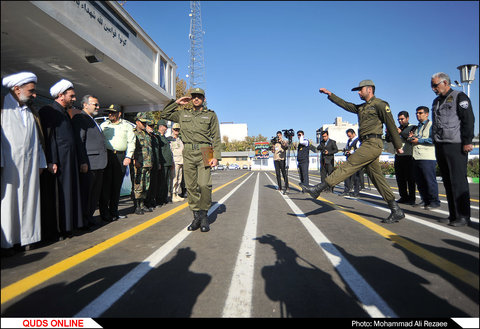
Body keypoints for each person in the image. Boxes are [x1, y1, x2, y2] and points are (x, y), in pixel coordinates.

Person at [301, 80, 405, 224]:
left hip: (373, 143)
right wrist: (331, 95)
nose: (358, 92)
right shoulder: (361, 107)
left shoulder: (381, 104)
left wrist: (398, 145)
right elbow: (346, 105)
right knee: (377, 178)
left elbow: (391, 125)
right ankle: (396, 210)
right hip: (366, 143)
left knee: (350, 164)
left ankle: (319, 188)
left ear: (369, 89)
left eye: (360, 89)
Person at [161, 88, 221, 232]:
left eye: (199, 97)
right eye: (194, 96)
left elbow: (216, 136)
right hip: (187, 150)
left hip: (206, 150)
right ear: (191, 98)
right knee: (191, 186)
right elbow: (164, 114)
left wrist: (216, 156)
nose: (196, 99)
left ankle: (204, 215)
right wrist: (177, 102)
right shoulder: (182, 113)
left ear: (204, 99)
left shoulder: (210, 115)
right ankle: (196, 217)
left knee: (204, 185)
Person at [1, 72, 46, 252]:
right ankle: (7, 243)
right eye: (31, 91)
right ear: (17, 89)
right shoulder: (3, 107)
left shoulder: (29, 111)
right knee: (9, 203)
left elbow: (37, 140)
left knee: (29, 200)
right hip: (9, 165)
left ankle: (26, 237)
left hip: (30, 164)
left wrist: (41, 162)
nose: (34, 95)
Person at [38, 79, 87, 240]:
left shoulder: (65, 112)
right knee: (58, 197)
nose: (74, 99)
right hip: (58, 163)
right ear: (61, 95)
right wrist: (51, 161)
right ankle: (57, 230)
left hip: (69, 162)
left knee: (69, 194)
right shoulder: (48, 111)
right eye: (71, 96)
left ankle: (68, 227)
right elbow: (48, 138)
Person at [430, 72, 475, 227]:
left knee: (458, 181)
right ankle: (453, 214)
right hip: (441, 144)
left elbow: (468, 119)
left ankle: (463, 216)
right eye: (432, 85)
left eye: (435, 85)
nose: (433, 88)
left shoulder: (459, 96)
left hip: (456, 144)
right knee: (448, 181)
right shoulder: (436, 101)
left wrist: (467, 141)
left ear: (445, 83)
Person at [71, 95, 107, 228]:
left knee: (94, 194)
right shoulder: (80, 118)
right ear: (85, 105)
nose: (97, 107)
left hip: (98, 163)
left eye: (97, 105)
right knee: (86, 194)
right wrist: (82, 161)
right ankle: (83, 220)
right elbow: (80, 141)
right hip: (89, 163)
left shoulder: (93, 120)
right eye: (95, 104)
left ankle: (89, 217)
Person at [99, 104, 135, 221]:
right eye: (109, 112)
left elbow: (131, 142)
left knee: (116, 186)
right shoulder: (103, 125)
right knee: (105, 187)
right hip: (107, 156)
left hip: (120, 157)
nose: (110, 115)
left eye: (113, 113)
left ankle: (113, 212)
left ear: (119, 114)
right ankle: (104, 214)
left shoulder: (126, 126)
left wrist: (128, 156)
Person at [409, 106, 440, 210]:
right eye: (416, 113)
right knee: (420, 181)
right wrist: (412, 138)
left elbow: (433, 139)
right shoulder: (417, 127)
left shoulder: (431, 125)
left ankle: (434, 201)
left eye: (420, 113)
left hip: (427, 157)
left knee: (429, 180)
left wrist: (419, 141)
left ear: (426, 114)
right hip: (416, 156)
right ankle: (425, 200)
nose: (418, 115)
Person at [386, 111, 416, 205]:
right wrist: (388, 133)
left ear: (407, 118)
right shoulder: (397, 129)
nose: (400, 121)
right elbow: (388, 140)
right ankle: (403, 196)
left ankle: (412, 198)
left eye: (402, 119)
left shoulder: (413, 127)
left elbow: (410, 138)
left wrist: (401, 132)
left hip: (408, 155)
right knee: (400, 178)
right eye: (398, 119)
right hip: (398, 156)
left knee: (410, 178)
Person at [132, 113, 153, 215]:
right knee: (138, 185)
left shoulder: (146, 134)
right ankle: (136, 206)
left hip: (147, 163)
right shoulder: (134, 133)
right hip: (139, 163)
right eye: (142, 122)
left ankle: (142, 204)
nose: (144, 124)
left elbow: (149, 149)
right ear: (137, 122)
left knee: (146, 185)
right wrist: (134, 160)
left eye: (145, 122)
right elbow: (132, 148)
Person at [156, 119, 173, 206]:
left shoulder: (164, 138)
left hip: (168, 163)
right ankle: (159, 199)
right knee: (161, 182)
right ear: (161, 127)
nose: (166, 128)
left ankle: (164, 197)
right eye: (165, 127)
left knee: (166, 182)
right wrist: (158, 162)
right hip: (162, 163)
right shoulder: (157, 137)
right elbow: (158, 151)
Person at [340, 129, 361, 197]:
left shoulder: (358, 140)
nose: (349, 137)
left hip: (355, 160)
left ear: (353, 134)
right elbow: (347, 148)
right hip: (349, 160)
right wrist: (346, 151)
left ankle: (356, 191)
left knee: (355, 177)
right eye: (348, 136)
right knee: (346, 176)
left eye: (350, 136)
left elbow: (359, 150)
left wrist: (351, 152)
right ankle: (346, 190)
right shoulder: (349, 141)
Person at [168, 123, 185, 202]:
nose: (176, 131)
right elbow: (170, 151)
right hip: (174, 161)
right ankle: (172, 194)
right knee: (174, 179)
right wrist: (171, 162)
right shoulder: (170, 139)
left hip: (181, 161)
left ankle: (177, 193)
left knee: (179, 179)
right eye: (175, 129)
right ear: (172, 129)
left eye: (178, 129)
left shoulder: (179, 139)